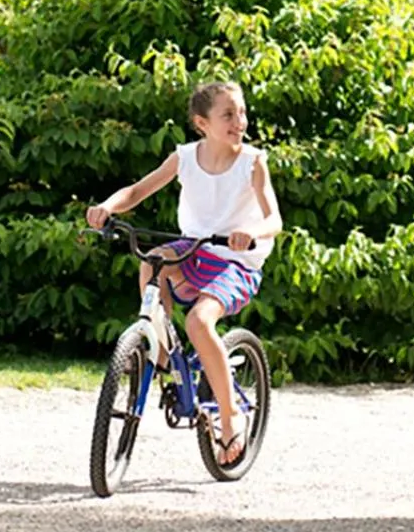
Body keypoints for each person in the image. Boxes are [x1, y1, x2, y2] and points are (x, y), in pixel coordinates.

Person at [86, 81, 281, 464]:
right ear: (201, 123)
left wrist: (251, 232)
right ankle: (159, 345)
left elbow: (274, 219)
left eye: (242, 112)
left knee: (199, 322)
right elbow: (136, 192)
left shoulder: (252, 162)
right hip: (194, 249)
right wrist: (107, 207)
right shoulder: (185, 158)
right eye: (228, 114)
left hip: (236, 260)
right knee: (152, 260)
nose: (240, 121)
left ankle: (231, 415)